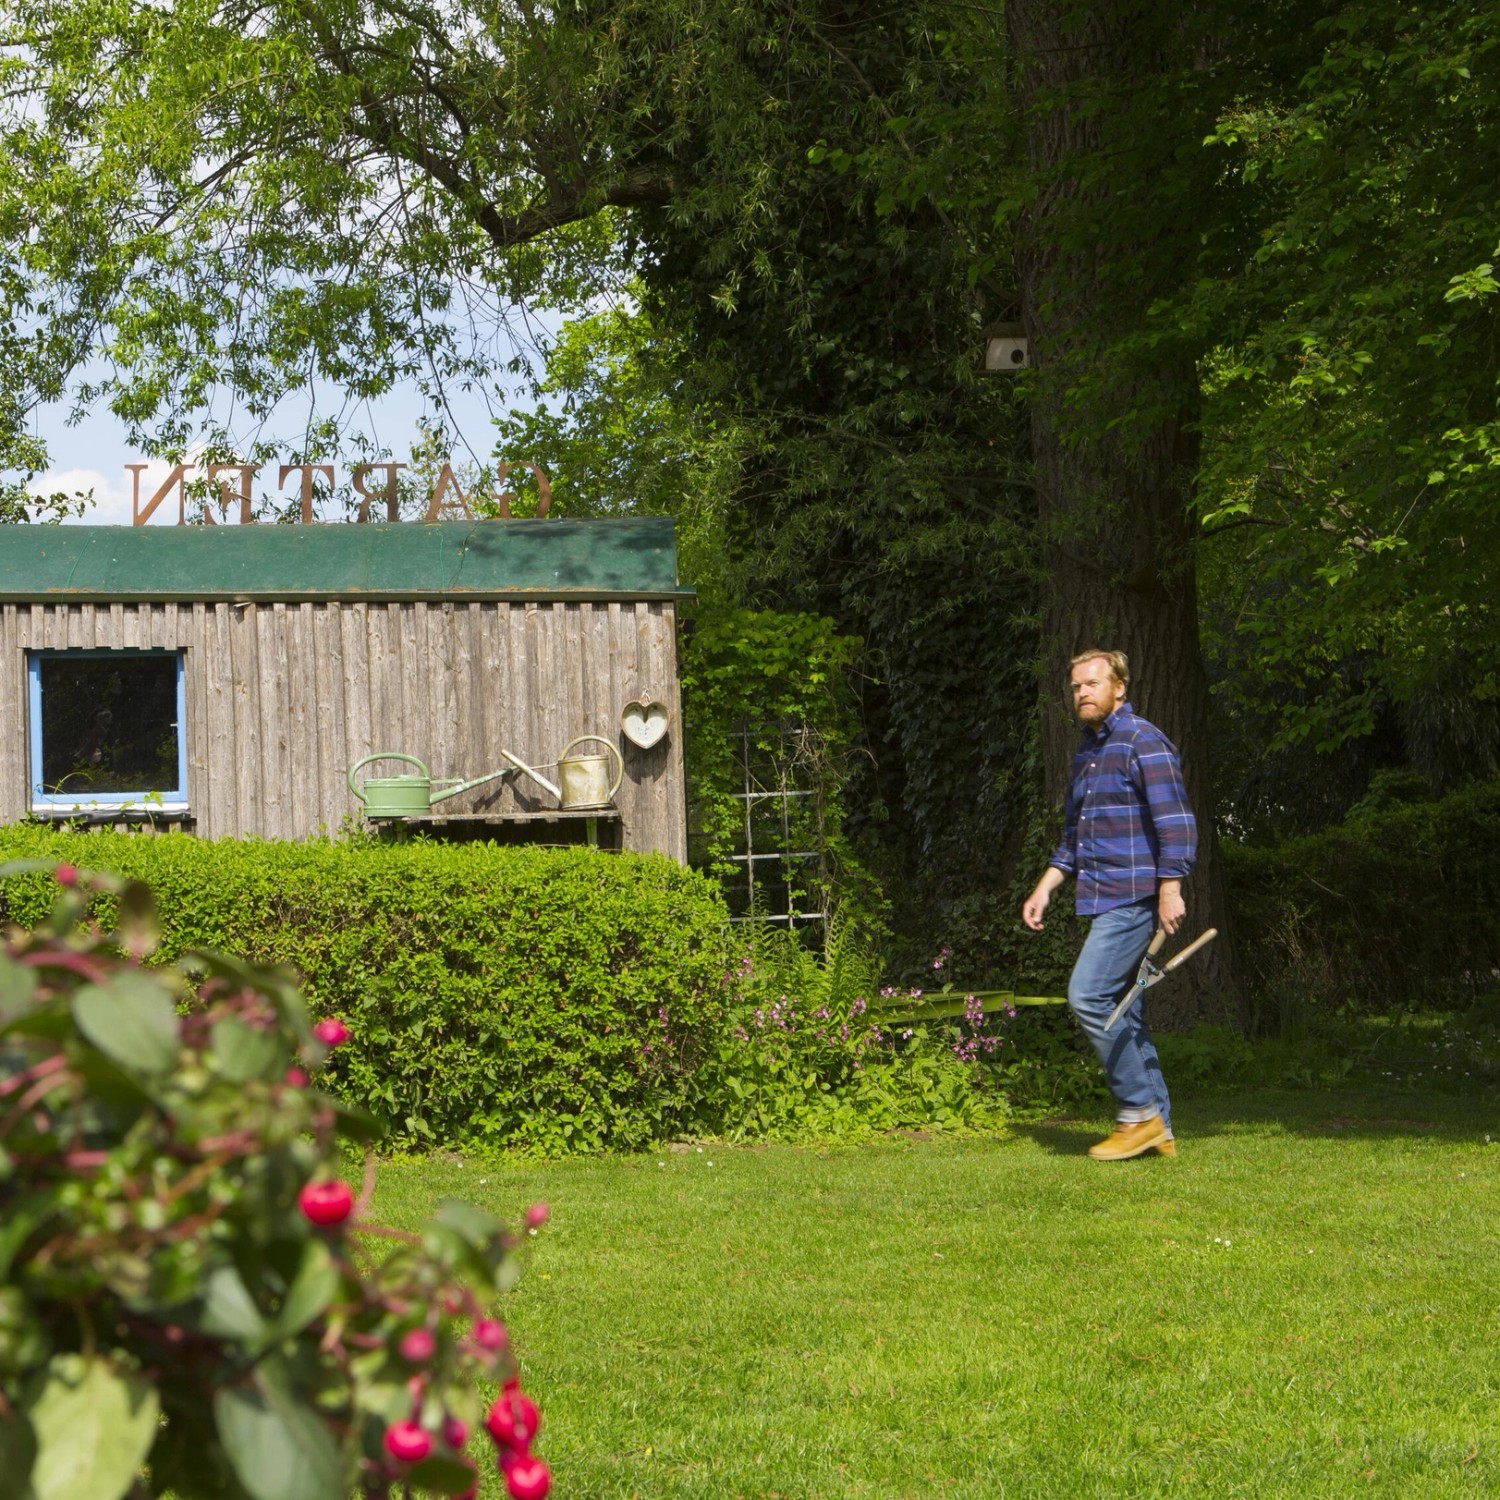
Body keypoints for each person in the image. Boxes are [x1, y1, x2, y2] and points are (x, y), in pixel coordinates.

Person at [1021, 649, 1197, 1161]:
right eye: (1076, 686)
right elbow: (1073, 839)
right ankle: (1159, 1129)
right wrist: (1045, 887)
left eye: (1093, 684)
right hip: (1101, 898)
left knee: (1088, 995)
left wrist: (1170, 889)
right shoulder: (1088, 754)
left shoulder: (1143, 740)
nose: (1082, 693)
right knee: (1127, 1014)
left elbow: (1176, 822)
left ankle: (1137, 1114)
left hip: (1134, 898)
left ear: (1119, 687)